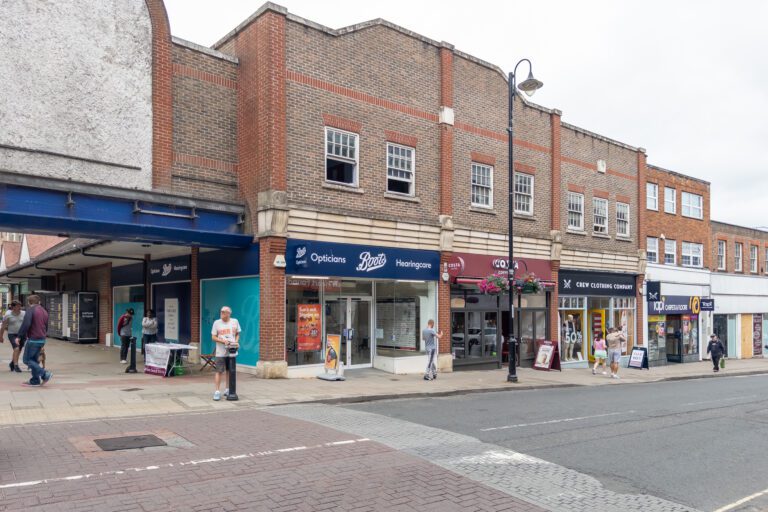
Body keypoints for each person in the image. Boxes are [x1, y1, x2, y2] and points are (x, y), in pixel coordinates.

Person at [17, 295, 51, 387]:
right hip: (42, 339)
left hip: (33, 339)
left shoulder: (31, 310)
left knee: (27, 360)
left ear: (29, 302)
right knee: (34, 361)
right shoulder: (44, 311)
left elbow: (26, 324)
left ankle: (44, 374)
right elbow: (46, 326)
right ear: (39, 302)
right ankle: (35, 380)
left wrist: (19, 336)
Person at [211, 306, 241, 401]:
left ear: (229, 313)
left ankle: (228, 389)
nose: (222, 313)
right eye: (221, 312)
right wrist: (223, 341)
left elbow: (237, 334)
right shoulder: (217, 323)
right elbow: (213, 337)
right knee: (219, 371)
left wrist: (236, 342)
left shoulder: (235, 321)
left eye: (224, 312)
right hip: (220, 352)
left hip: (231, 351)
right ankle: (217, 391)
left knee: (230, 371)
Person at [0, 301, 25, 372]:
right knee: (16, 348)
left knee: (19, 350)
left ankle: (12, 363)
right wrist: (1, 336)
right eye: (18, 306)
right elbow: (3, 326)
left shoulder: (24, 313)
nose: (20, 307)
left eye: (20, 306)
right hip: (12, 334)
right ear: (13, 307)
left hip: (21, 334)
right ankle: (16, 365)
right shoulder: (8, 315)